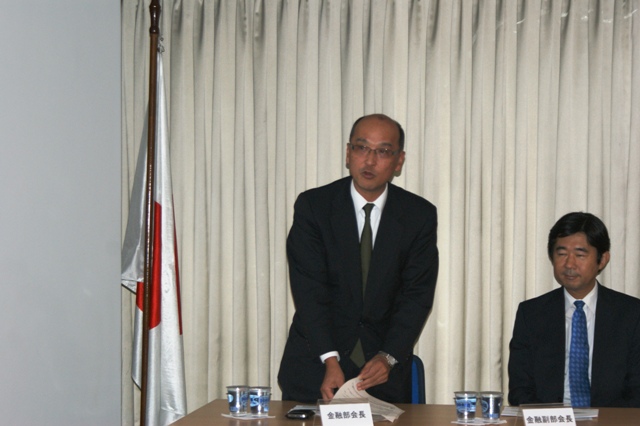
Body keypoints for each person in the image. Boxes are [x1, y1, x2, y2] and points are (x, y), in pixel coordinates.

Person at [277, 114, 439, 403]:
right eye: (362, 148)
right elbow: (309, 291)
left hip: (382, 374)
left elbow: (417, 295)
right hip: (315, 368)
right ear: (348, 153)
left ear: (399, 161)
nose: (370, 160)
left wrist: (388, 357)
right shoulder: (314, 207)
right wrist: (330, 359)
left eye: (383, 151)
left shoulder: (418, 215)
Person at [508, 212, 640, 407]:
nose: (569, 264)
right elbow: (520, 390)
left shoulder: (631, 314)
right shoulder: (531, 314)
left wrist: (605, 419)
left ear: (602, 259)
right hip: (550, 418)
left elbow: (637, 391)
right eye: (561, 254)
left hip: (610, 417)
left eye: (580, 255)